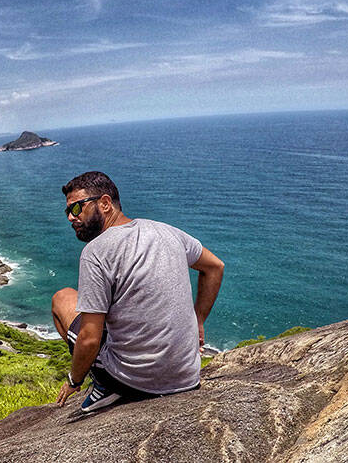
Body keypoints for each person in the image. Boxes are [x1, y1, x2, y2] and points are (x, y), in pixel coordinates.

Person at [52, 171, 224, 413]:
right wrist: (199, 320)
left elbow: (90, 338)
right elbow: (215, 267)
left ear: (104, 203)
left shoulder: (95, 252)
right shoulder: (167, 231)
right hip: (187, 376)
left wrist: (74, 381)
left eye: (77, 208)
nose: (71, 217)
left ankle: (102, 383)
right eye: (67, 211)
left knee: (62, 298)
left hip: (133, 383)